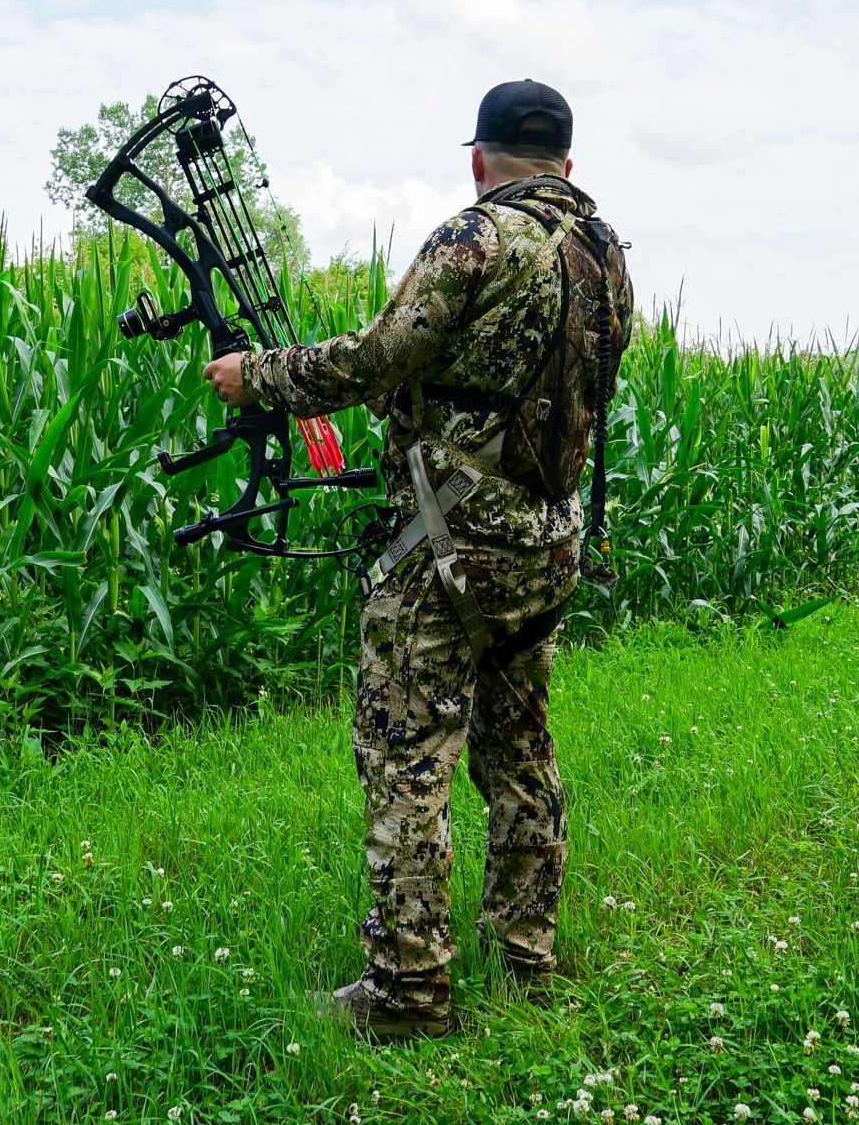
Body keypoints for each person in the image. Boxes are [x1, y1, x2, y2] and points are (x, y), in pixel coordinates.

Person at [201, 78, 634, 1040]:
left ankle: (408, 993)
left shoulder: (473, 238)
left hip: (448, 556)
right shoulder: (607, 255)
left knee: (406, 761)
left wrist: (256, 376)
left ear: (479, 160)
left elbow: (374, 359)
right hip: (545, 552)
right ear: (567, 163)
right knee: (521, 753)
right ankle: (525, 960)